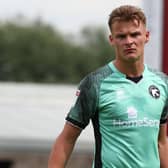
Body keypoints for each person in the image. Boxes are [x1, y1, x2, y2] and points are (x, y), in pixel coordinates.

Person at [48, 5, 168, 168]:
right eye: (121, 36)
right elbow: (66, 140)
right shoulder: (95, 83)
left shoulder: (162, 83)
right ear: (112, 40)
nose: (129, 41)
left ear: (146, 36)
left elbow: (161, 142)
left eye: (134, 34)